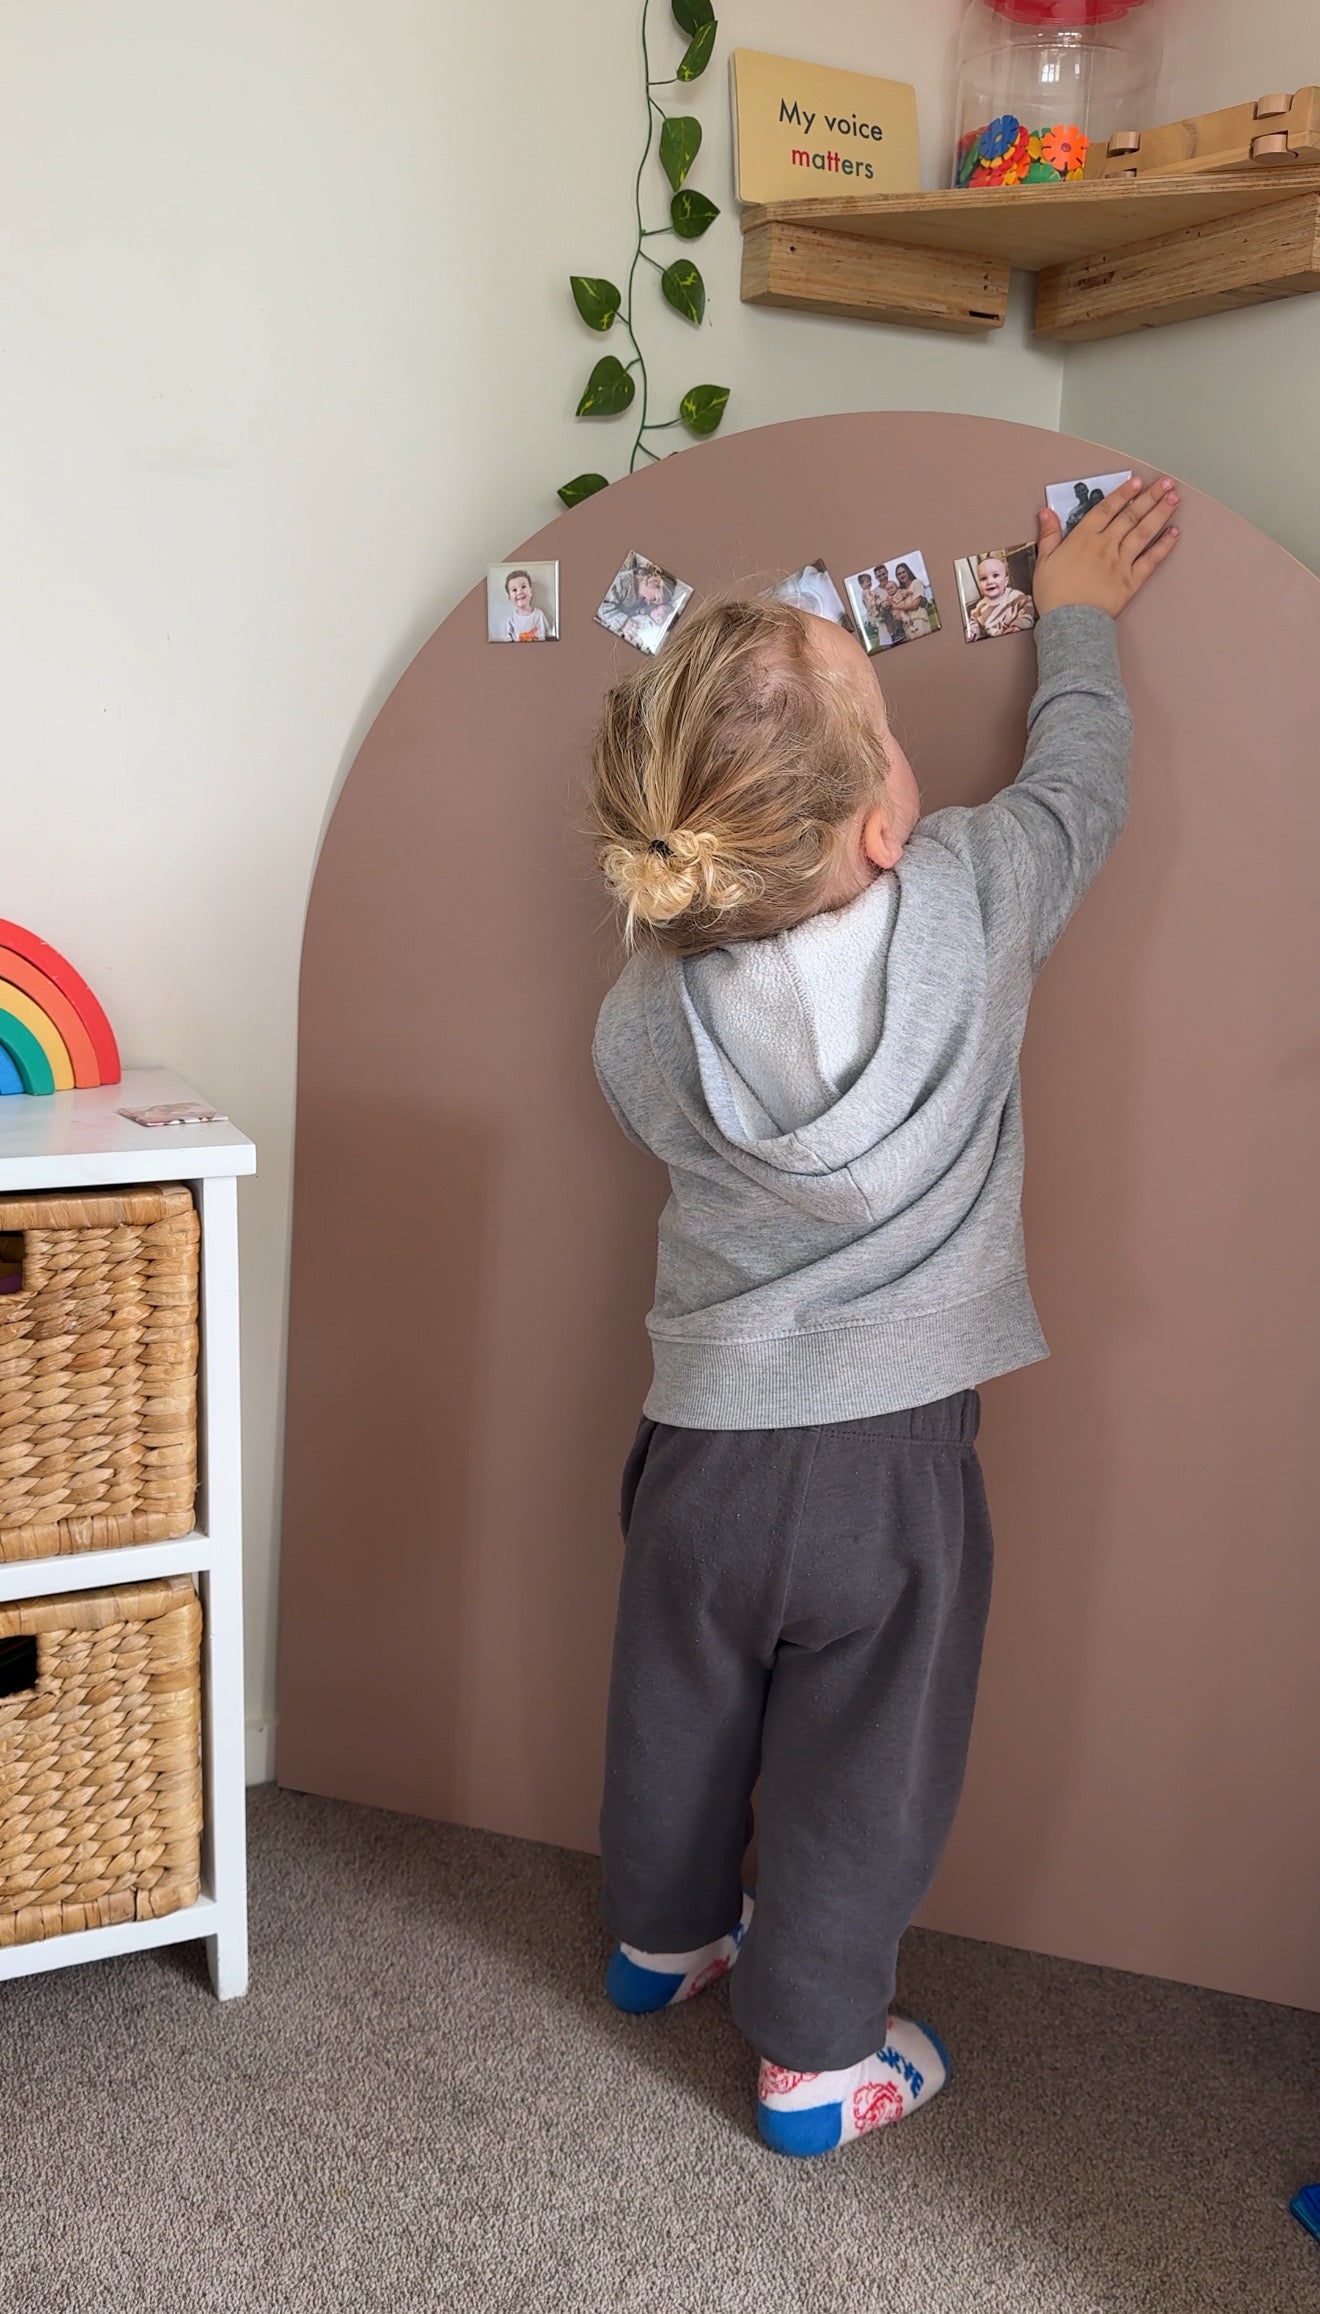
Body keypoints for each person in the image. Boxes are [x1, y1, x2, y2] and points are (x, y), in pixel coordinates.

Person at [588, 477, 1180, 2158]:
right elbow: (1083, 787)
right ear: (881, 826)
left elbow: (651, 1107)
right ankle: (816, 2059)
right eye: (890, 729)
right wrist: (1078, 612)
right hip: (891, 1458)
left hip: (702, 1440)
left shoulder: (644, 1011)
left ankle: (659, 1940)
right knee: (868, 1760)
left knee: (675, 1699)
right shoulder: (980, 898)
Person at [964, 550, 1037, 641]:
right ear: (979, 585)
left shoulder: (1016, 597)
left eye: (995, 575)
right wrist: (973, 632)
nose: (989, 581)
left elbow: (1028, 610)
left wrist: (1018, 625)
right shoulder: (980, 607)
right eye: (983, 578)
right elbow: (973, 621)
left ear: (1006, 581)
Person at [501, 568, 553, 642]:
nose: (519, 592)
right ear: (510, 598)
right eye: (514, 590)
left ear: (530, 592)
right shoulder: (511, 621)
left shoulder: (539, 615)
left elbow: (550, 637)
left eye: (523, 587)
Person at [892, 560, 937, 641]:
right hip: (908, 625)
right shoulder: (901, 591)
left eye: (903, 572)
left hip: (919, 620)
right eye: (899, 574)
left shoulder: (916, 583)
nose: (902, 575)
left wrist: (896, 607)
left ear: (908, 572)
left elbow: (915, 606)